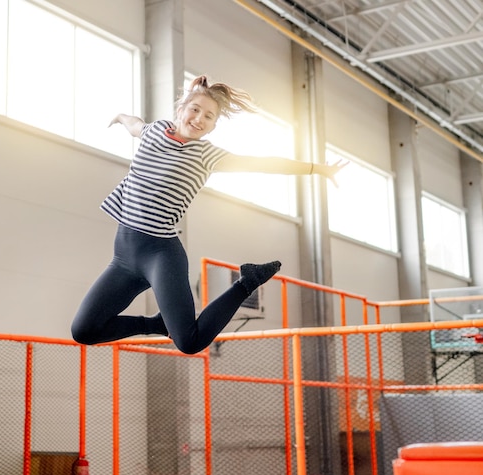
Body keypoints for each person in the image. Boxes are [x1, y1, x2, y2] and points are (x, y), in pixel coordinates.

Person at [71, 75, 346, 355]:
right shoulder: (155, 131)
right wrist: (120, 116)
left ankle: (247, 282)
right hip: (124, 259)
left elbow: (263, 163)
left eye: (209, 117)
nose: (200, 119)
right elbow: (135, 125)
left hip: (160, 255)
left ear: (213, 126)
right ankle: (155, 325)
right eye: (195, 110)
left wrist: (317, 169)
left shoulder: (206, 155)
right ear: (180, 109)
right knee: (84, 330)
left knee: (190, 342)